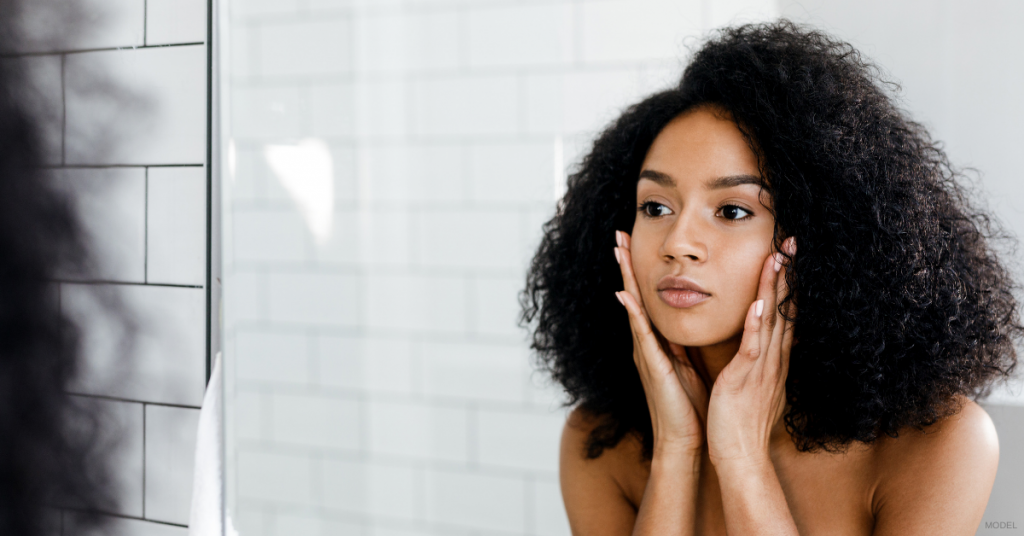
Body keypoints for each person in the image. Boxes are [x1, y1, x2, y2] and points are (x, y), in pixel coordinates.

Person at [522, 21, 1018, 535]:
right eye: (655, 206)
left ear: (820, 235)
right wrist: (676, 451)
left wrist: (741, 458)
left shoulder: (938, 444)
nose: (676, 243)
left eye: (732, 211)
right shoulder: (600, 442)